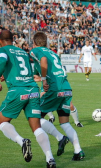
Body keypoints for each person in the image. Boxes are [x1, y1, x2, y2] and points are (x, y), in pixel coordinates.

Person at [0, 30, 56, 167]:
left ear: (0, 41)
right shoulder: (22, 51)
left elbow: (3, 60)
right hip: (33, 90)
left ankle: (22, 141)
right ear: (12, 39)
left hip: (18, 91)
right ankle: (50, 158)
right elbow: (22, 69)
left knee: (1, 122)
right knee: (36, 127)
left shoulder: (1, 50)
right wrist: (6, 74)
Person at [30, 32, 85, 160]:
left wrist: (43, 80)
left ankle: (60, 138)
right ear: (46, 43)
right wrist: (40, 77)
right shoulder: (53, 53)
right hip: (66, 88)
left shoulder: (35, 51)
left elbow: (43, 61)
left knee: (35, 118)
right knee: (65, 123)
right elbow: (39, 72)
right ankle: (78, 151)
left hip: (54, 88)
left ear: (34, 43)